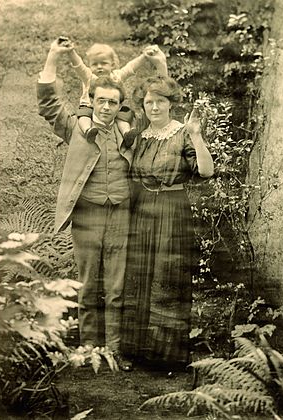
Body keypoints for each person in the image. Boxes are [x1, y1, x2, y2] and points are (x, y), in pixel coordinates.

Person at [37, 39, 167, 372]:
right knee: (87, 285)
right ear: (91, 101)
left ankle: (115, 351)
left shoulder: (130, 134)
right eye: (101, 101)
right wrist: (53, 56)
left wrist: (161, 64)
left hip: (121, 213)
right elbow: (50, 104)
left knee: (117, 286)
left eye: (112, 102)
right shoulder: (77, 129)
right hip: (87, 215)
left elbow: (161, 110)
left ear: (120, 105)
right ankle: (88, 350)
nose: (106, 108)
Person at [121, 76, 214, 368]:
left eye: (161, 100)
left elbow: (206, 172)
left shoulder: (183, 133)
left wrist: (197, 135)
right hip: (142, 210)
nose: (155, 106)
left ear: (171, 103)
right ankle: (138, 350)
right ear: (142, 106)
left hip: (172, 208)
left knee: (167, 275)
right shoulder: (138, 137)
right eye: (149, 102)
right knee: (140, 275)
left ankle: (166, 357)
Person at [61, 36, 167, 146]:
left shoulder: (116, 76)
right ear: (89, 65)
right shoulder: (90, 77)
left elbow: (131, 67)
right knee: (84, 115)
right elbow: (79, 67)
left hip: (114, 107)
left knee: (124, 116)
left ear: (112, 65)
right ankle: (88, 130)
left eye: (104, 63)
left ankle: (126, 133)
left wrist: (144, 56)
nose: (99, 67)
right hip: (90, 106)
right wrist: (71, 52)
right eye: (95, 64)